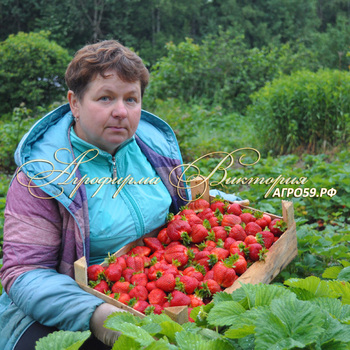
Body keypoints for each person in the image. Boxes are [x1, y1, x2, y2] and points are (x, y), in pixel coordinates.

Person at [0, 40, 189, 350]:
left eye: (131, 99)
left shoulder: (153, 149)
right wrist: (96, 315)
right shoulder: (42, 175)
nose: (120, 111)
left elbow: (184, 200)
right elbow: (24, 273)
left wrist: (226, 204)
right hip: (69, 309)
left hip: (158, 291)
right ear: (75, 103)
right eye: (105, 98)